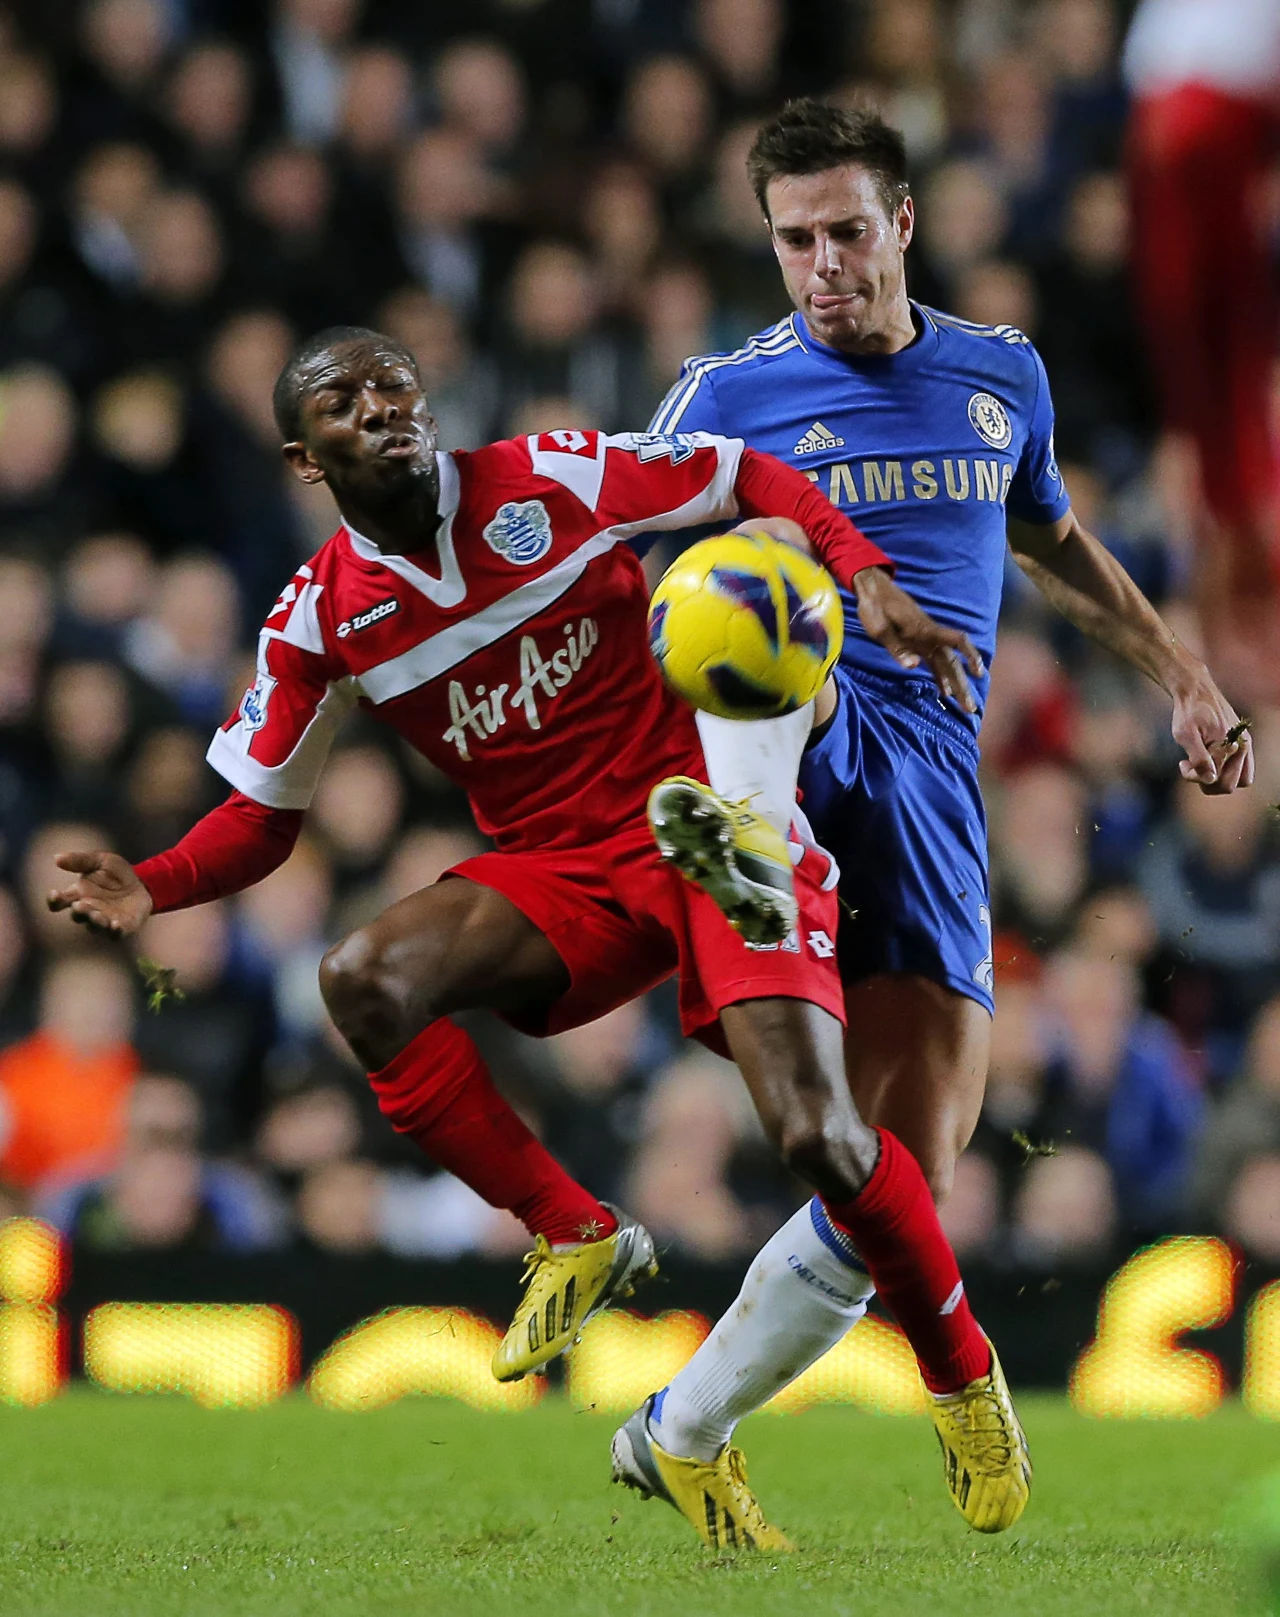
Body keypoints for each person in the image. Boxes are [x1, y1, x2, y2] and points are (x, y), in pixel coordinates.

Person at [47, 325, 1028, 1546]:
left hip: (704, 824)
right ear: (305, 460)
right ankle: (575, 1230)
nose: (382, 408)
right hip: (563, 872)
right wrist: (154, 885)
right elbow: (261, 817)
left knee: (821, 1138)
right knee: (360, 979)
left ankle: (962, 1377)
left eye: (395, 386)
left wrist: (861, 572)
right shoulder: (317, 621)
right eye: (345, 403)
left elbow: (745, 475)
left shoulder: (548, 477)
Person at [618, 98, 1251, 1542]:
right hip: (795, 714)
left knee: (898, 1184)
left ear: (902, 223)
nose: (822, 266)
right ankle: (751, 833)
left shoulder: (998, 374)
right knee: (759, 571)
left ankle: (680, 1429)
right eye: (794, 240)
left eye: (846, 232)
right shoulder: (722, 392)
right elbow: (626, 558)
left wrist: (1181, 675)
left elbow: (1054, 542)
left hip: (932, 785)